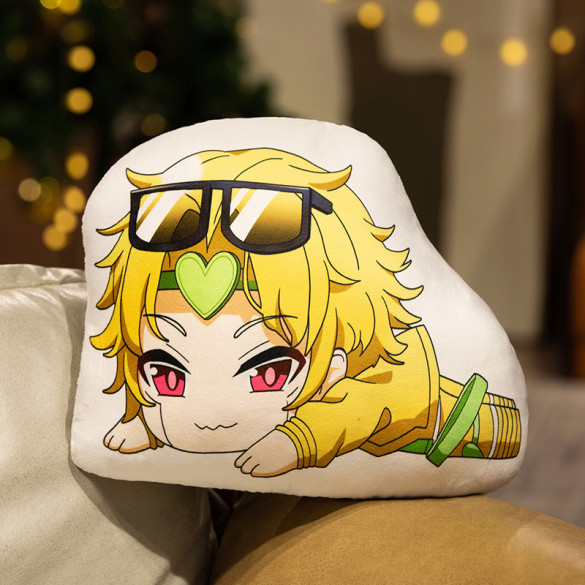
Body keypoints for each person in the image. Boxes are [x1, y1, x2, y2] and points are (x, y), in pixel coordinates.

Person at [91, 147, 521, 477]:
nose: (210, 424)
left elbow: (375, 401)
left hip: (453, 423)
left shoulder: (386, 360)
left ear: (335, 365)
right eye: (167, 376)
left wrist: (301, 440)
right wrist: (147, 421)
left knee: (496, 429)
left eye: (269, 372)